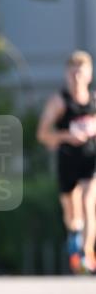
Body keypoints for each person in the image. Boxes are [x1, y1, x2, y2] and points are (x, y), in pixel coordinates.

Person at [36, 50, 96, 274]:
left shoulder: (93, 100)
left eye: (81, 73)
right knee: (72, 212)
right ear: (66, 75)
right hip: (67, 159)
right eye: (73, 73)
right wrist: (66, 136)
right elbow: (42, 134)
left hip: (90, 159)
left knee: (89, 200)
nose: (77, 78)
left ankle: (86, 253)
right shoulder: (59, 102)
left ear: (89, 75)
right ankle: (74, 235)